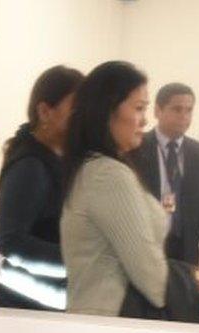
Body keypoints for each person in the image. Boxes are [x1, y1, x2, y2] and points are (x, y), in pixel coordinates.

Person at [60, 61, 168, 317]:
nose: (145, 121)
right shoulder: (109, 176)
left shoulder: (97, 168)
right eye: (139, 108)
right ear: (107, 110)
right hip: (110, 323)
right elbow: (151, 279)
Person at [0, 65, 83, 311]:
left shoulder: (62, 160)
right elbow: (10, 240)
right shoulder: (31, 166)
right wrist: (78, 261)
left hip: (48, 308)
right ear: (45, 111)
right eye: (76, 109)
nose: (84, 118)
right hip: (25, 309)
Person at [131, 83, 199, 265]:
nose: (184, 116)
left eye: (189, 110)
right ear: (157, 111)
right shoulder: (135, 148)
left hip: (186, 250)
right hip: (146, 248)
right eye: (177, 109)